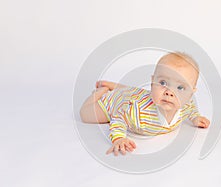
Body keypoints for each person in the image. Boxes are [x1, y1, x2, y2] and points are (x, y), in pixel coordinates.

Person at [80, 52, 210, 156]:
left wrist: (195, 117)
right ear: (153, 81)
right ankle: (101, 92)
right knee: (85, 115)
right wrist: (119, 138)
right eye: (163, 83)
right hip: (117, 102)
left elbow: (191, 107)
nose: (169, 93)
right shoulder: (138, 111)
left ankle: (113, 86)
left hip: (135, 93)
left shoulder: (186, 105)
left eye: (180, 88)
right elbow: (118, 116)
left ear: (191, 93)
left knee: (134, 92)